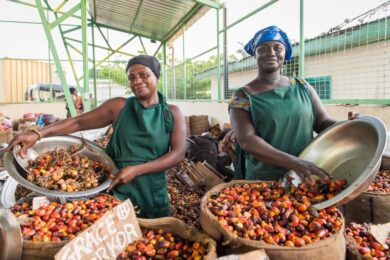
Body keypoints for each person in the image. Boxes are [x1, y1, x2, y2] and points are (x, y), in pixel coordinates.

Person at [8, 55, 187, 218]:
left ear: (156, 76)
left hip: (152, 191)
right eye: (132, 78)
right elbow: (78, 122)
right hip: (116, 186)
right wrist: (38, 133)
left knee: (155, 245)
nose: (137, 81)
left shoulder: (172, 113)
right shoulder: (119, 107)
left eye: (144, 75)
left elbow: (178, 154)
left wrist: (137, 170)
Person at [229, 25, 338, 183]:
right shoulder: (242, 96)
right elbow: (247, 139)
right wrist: (295, 162)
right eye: (263, 49)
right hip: (264, 183)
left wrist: (352, 125)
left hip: (305, 177)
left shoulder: (303, 87)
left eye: (277, 48)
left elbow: (322, 122)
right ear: (255, 54)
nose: (271, 53)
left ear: (285, 53)